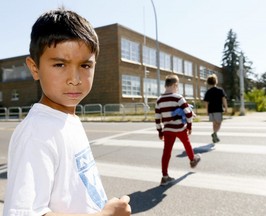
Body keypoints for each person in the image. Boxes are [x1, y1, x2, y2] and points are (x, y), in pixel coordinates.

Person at [3, 9, 131, 216]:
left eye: (85, 65)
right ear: (34, 68)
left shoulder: (68, 119)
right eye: (60, 64)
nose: (75, 78)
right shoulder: (36, 134)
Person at [155, 74, 201, 186]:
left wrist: (160, 131)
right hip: (180, 128)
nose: (177, 88)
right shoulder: (178, 97)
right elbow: (188, 113)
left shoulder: (159, 100)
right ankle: (192, 159)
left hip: (168, 130)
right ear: (175, 85)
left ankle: (165, 176)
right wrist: (189, 126)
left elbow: (157, 118)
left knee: (166, 152)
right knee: (186, 143)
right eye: (177, 86)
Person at [203, 74, 228, 143]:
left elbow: (206, 102)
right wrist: (226, 108)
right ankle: (214, 133)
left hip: (211, 110)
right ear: (216, 81)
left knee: (214, 123)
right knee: (219, 123)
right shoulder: (220, 90)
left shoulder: (208, 92)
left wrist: (207, 111)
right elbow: (224, 100)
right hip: (218, 109)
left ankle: (215, 135)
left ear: (208, 82)